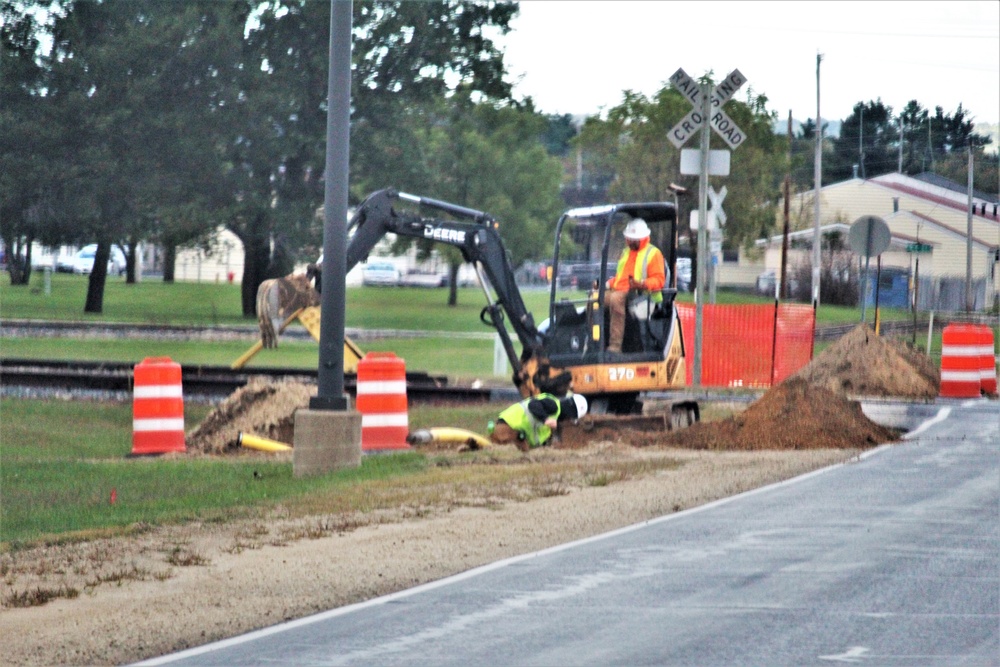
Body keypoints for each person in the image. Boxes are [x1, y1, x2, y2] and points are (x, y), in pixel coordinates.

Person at [604, 218, 667, 353]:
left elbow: (659, 281)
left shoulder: (653, 254)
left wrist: (642, 284)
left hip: (644, 296)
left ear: (642, 239)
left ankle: (615, 347)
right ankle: (594, 341)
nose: (628, 242)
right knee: (595, 298)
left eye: (632, 239)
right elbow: (620, 277)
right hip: (622, 290)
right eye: (628, 238)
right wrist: (606, 284)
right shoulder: (626, 252)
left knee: (616, 299)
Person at [488, 393, 588, 452]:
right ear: (570, 411)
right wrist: (545, 419)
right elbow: (533, 405)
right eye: (570, 417)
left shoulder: (551, 424)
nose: (568, 420)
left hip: (515, 434)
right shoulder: (553, 405)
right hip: (509, 427)